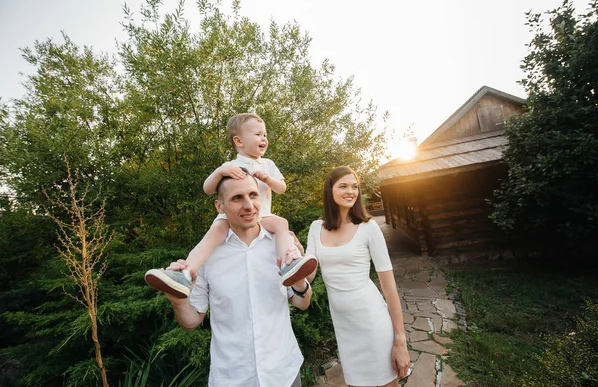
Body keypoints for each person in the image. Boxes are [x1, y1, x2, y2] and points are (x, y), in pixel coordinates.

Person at [165, 170, 315, 386]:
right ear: (220, 206)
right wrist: (178, 301)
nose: (249, 205)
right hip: (232, 377)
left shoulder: (282, 245)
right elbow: (191, 322)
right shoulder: (206, 255)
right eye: (237, 198)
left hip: (283, 372)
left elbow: (302, 302)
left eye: (253, 195)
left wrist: (300, 283)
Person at [145, 113, 317, 297]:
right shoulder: (231, 165)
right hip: (231, 218)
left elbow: (282, 188)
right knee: (213, 234)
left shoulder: (268, 165)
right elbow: (208, 189)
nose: (264, 138)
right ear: (239, 140)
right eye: (258, 134)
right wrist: (220, 172)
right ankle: (184, 274)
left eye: (265, 135)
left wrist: (269, 180)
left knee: (282, 223)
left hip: (262, 216)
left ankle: (288, 262)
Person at [305, 166, 410, 387]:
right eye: (343, 186)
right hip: (345, 329)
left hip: (373, 323)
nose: (350, 191)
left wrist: (400, 340)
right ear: (330, 190)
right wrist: (293, 253)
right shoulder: (316, 228)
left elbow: (389, 286)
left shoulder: (369, 228)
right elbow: (309, 272)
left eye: (354, 186)